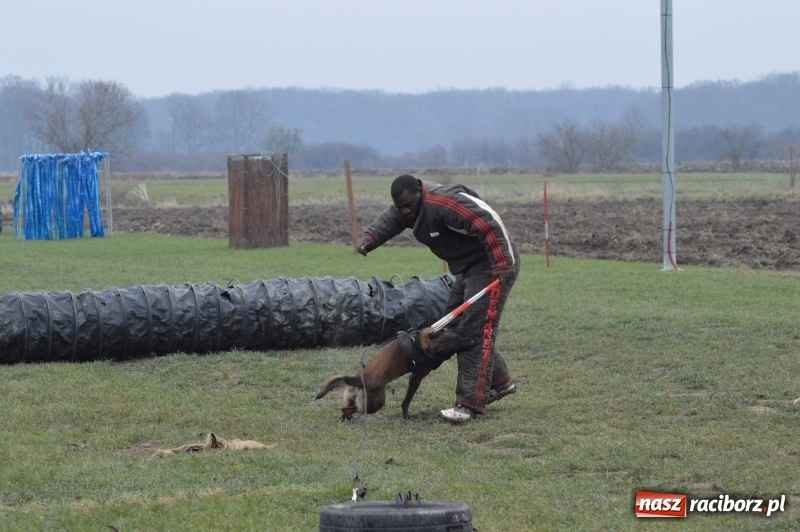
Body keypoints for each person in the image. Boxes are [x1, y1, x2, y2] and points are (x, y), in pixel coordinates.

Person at [356, 174, 520, 423]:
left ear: (420, 192)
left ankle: (468, 404)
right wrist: (370, 238)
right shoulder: (409, 206)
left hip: (492, 266)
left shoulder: (444, 202)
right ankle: (500, 382)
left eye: (409, 205)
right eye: (401, 207)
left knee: (472, 334)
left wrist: (503, 264)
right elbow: (393, 217)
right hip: (469, 268)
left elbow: (489, 221)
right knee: (452, 328)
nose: (406, 212)